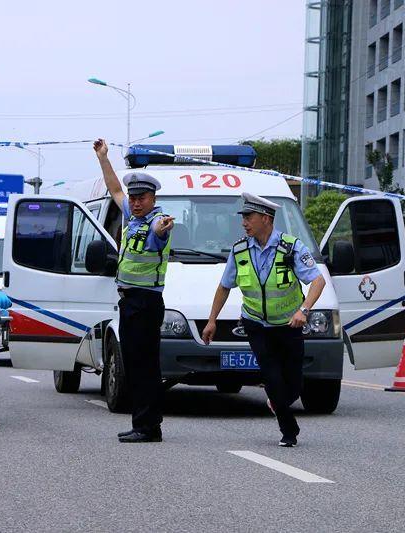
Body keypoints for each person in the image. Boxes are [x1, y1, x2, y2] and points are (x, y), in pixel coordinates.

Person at [201, 192, 326, 447]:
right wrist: (212, 320)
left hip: (289, 325)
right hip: (256, 324)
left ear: (266, 218)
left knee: (293, 384)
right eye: (243, 217)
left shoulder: (291, 248)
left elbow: (317, 280)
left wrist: (304, 309)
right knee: (271, 376)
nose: (244, 222)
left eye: (249, 217)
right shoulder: (240, 250)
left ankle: (279, 401)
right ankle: (288, 430)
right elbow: (224, 286)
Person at [94, 139, 174, 443]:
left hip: (146, 302)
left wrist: (161, 228)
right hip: (129, 302)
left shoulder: (156, 221)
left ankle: (148, 426)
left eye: (142, 197)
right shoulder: (132, 216)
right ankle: (144, 422)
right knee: (135, 365)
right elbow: (115, 190)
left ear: (153, 198)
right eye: (134, 197)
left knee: (145, 366)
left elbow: (159, 232)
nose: (136, 202)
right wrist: (104, 158)